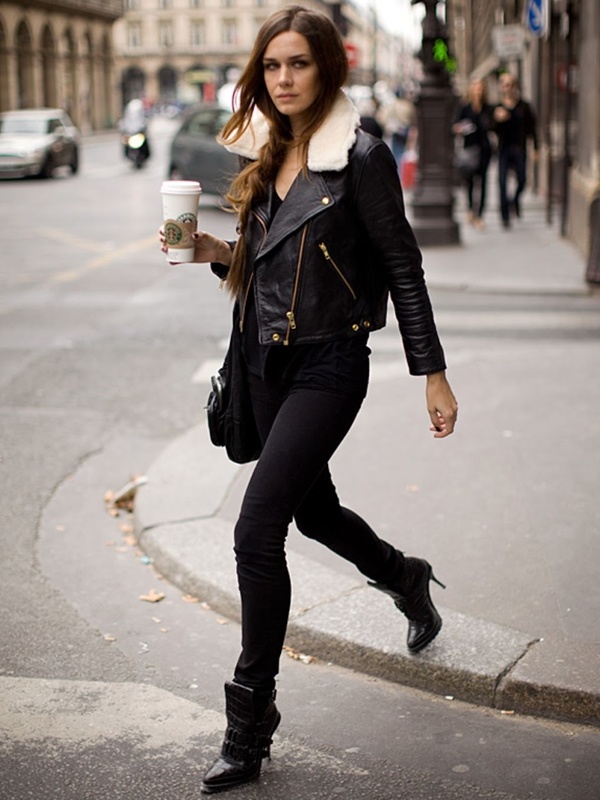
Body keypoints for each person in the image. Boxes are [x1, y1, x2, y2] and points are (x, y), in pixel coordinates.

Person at [160, 6, 458, 794]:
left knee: (257, 529)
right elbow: (262, 262)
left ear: (326, 68)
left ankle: (250, 722)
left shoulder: (358, 156)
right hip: (262, 361)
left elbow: (403, 266)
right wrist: (207, 249)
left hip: (330, 362)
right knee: (312, 512)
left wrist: (432, 370)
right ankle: (405, 578)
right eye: (272, 67)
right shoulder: (267, 149)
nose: (283, 79)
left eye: (297, 64)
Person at [493, 72, 538, 228]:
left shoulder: (523, 107)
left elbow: (532, 128)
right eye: (505, 84)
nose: (508, 88)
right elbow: (491, 129)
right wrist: (497, 120)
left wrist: (536, 148)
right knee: (502, 183)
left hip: (519, 148)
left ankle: (515, 201)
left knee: (522, 180)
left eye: (511, 84)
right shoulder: (498, 108)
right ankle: (505, 216)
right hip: (503, 150)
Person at [453, 78, 494, 230]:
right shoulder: (465, 108)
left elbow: (493, 125)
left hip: (484, 149)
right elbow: (455, 125)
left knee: (483, 183)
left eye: (480, 87)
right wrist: (459, 128)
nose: (478, 89)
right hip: (469, 149)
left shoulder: (487, 108)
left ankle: (479, 215)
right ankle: (470, 209)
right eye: (475, 86)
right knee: (469, 182)